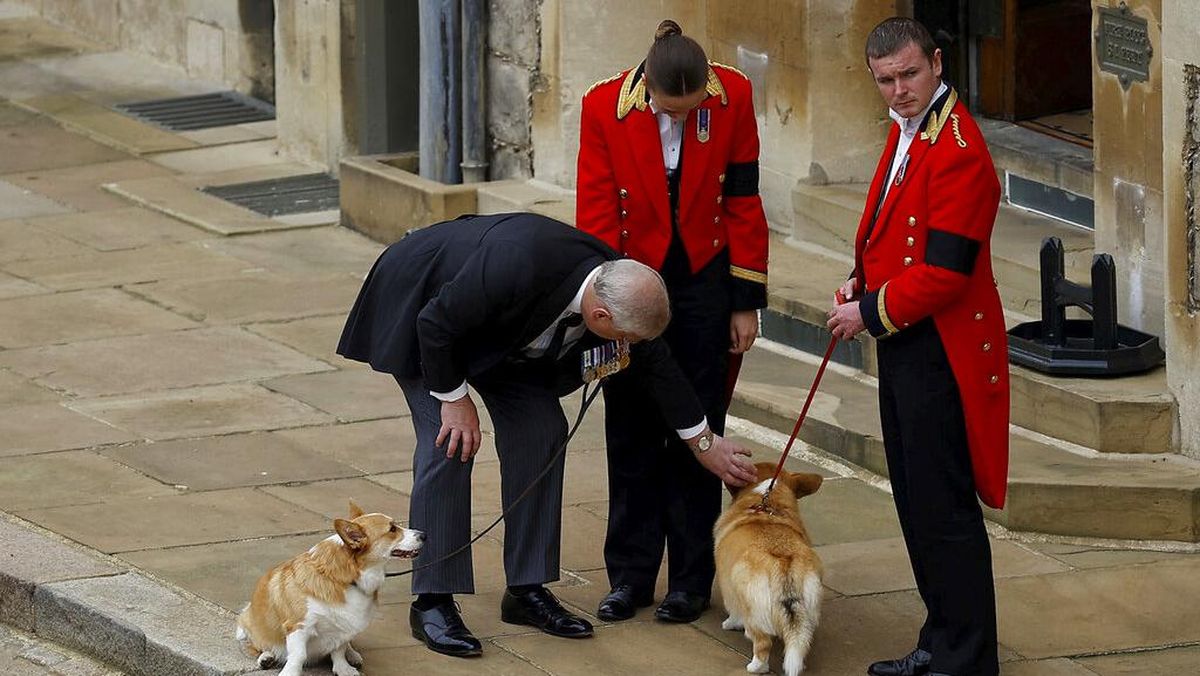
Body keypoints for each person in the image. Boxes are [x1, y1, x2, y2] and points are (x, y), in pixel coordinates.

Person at [336, 212, 756, 658]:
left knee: (543, 428)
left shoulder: (619, 284)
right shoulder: (516, 264)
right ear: (599, 314)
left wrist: (704, 443)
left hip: (499, 335)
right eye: (625, 337)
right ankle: (433, 602)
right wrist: (456, 401)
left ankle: (525, 589)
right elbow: (436, 324)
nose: (628, 346)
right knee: (449, 442)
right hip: (422, 310)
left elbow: (657, 364)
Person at [825, 17, 1010, 676]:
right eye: (886, 81)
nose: (899, 90)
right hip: (910, 342)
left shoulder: (958, 145)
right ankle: (940, 639)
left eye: (909, 75)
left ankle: (965, 656)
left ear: (935, 63)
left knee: (944, 509)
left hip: (943, 352)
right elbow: (892, 229)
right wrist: (861, 277)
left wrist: (866, 311)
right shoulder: (913, 130)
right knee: (915, 500)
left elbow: (946, 271)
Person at [575, 18, 770, 625]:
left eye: (692, 112)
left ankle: (690, 580)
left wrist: (745, 299)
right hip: (633, 278)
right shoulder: (602, 106)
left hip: (705, 280)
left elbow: (743, 196)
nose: (683, 121)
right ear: (650, 88)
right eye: (672, 112)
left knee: (701, 426)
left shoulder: (733, 92)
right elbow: (596, 210)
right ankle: (629, 577)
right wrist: (612, 307)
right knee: (630, 429)